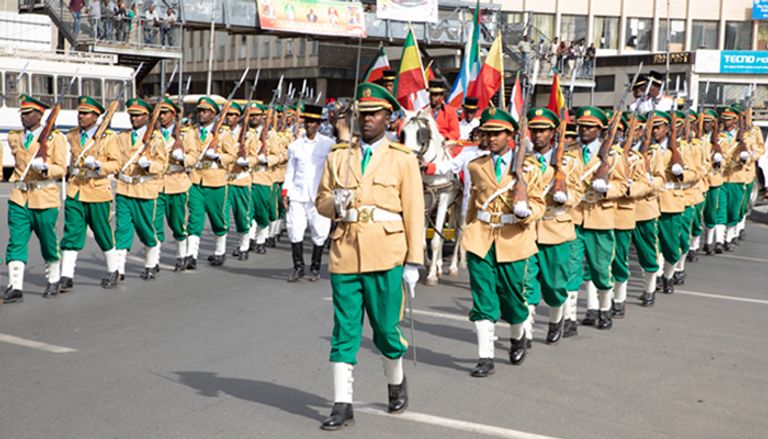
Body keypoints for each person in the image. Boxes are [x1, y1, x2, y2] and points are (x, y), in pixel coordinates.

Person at [315, 83, 424, 430]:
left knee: (385, 330)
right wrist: (337, 204)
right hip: (345, 251)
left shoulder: (402, 159)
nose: (367, 120)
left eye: (375, 114)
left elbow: (414, 210)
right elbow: (322, 201)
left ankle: (395, 381)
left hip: (386, 253)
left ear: (389, 118)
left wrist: (413, 261)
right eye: (363, 114)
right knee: (344, 330)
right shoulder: (339, 156)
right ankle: (342, 403)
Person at [462, 106, 544, 378]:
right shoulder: (476, 166)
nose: (492, 138)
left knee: (513, 300)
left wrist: (527, 212)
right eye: (488, 133)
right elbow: (473, 204)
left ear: (510, 135)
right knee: (483, 299)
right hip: (482, 238)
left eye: (498, 133)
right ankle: (485, 357)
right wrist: (469, 229)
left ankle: (518, 336)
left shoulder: (528, 168)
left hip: (513, 238)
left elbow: (540, 204)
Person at [2, 95, 67, 303]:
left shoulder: (55, 138)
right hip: (20, 196)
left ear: (40, 115)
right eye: (23, 114)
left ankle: (54, 279)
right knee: (16, 240)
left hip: (44, 197)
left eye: (29, 114)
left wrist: (47, 168)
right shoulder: (15, 137)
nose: (24, 117)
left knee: (48, 240)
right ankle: (15, 286)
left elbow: (62, 168)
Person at [527, 107, 583, 343]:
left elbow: (579, 193)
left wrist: (566, 197)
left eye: (543, 130)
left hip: (555, 226)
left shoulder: (568, 162)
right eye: (534, 130)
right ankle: (524, 333)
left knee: (554, 286)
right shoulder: (521, 160)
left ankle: (555, 319)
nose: (538, 135)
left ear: (553, 133)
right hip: (528, 229)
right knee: (526, 285)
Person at [569, 106, 627, 330]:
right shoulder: (569, 152)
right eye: (582, 125)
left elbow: (623, 185)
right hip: (574, 217)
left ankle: (604, 309)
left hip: (600, 218)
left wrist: (607, 188)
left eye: (590, 126)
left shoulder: (613, 155)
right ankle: (570, 317)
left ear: (601, 129)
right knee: (571, 269)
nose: (584, 130)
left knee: (602, 269)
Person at [60, 96, 122, 292]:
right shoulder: (72, 135)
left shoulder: (109, 137)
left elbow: (116, 163)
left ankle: (113, 270)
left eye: (85, 113)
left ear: (96, 117)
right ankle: (66, 275)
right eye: (80, 113)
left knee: (102, 231)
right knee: (72, 232)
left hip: (97, 190)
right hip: (76, 189)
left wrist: (100, 165)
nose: (81, 116)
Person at [114, 98, 168, 281]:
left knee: (147, 228)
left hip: (145, 188)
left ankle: (151, 264)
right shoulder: (122, 137)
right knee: (122, 229)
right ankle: (117, 269)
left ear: (147, 116)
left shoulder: (156, 138)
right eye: (132, 115)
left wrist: (150, 165)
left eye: (138, 116)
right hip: (124, 188)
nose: (134, 119)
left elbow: (162, 165)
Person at [283, 104, 334, 282]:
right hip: (298, 193)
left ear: (319, 124)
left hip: (319, 195)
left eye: (314, 122)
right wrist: (285, 191)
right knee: (294, 229)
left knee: (320, 232)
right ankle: (298, 267)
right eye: (308, 122)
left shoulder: (329, 144)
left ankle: (315, 267)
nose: (310, 125)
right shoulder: (295, 146)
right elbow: (290, 170)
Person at [183, 97, 236, 268]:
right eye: (199, 111)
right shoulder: (191, 132)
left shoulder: (224, 133)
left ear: (214, 114)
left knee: (217, 218)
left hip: (216, 180)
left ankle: (220, 252)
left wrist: (219, 156)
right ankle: (191, 255)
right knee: (194, 218)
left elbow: (232, 157)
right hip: (195, 179)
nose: (201, 114)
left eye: (205, 111)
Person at [610, 112, 652, 315]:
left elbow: (646, 183)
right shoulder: (600, 156)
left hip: (622, 213)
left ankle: (618, 298)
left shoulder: (636, 158)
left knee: (618, 259)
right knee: (596, 262)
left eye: (620, 130)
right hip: (596, 213)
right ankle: (597, 305)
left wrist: (629, 187)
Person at [155, 98, 191, 271]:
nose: (161, 116)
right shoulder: (153, 133)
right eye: (159, 113)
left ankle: (181, 255)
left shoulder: (186, 134)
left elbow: (194, 155)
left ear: (174, 115)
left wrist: (184, 158)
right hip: (156, 184)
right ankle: (153, 260)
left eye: (165, 113)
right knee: (154, 223)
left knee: (177, 223)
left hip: (177, 183)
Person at [251, 105, 286, 255]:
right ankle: (249, 241)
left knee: (264, 212)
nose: (254, 118)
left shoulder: (272, 136)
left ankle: (263, 238)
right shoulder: (244, 133)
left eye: (257, 115)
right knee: (248, 212)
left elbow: (281, 155)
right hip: (246, 177)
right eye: (251, 115)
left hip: (265, 177)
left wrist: (267, 160)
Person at [225, 102, 257, 261]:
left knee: (242, 216)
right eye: (227, 115)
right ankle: (220, 251)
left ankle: (244, 245)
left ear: (238, 117)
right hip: (223, 181)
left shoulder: (249, 135)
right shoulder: (219, 133)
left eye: (232, 115)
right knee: (222, 216)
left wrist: (246, 161)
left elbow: (255, 156)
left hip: (240, 180)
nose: (228, 118)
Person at [701, 109, 726, 254]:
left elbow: (725, 159)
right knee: (696, 216)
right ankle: (693, 245)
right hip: (699, 182)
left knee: (711, 212)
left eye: (710, 122)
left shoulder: (721, 140)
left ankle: (710, 241)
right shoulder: (696, 138)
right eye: (704, 121)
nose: (706, 124)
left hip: (714, 180)